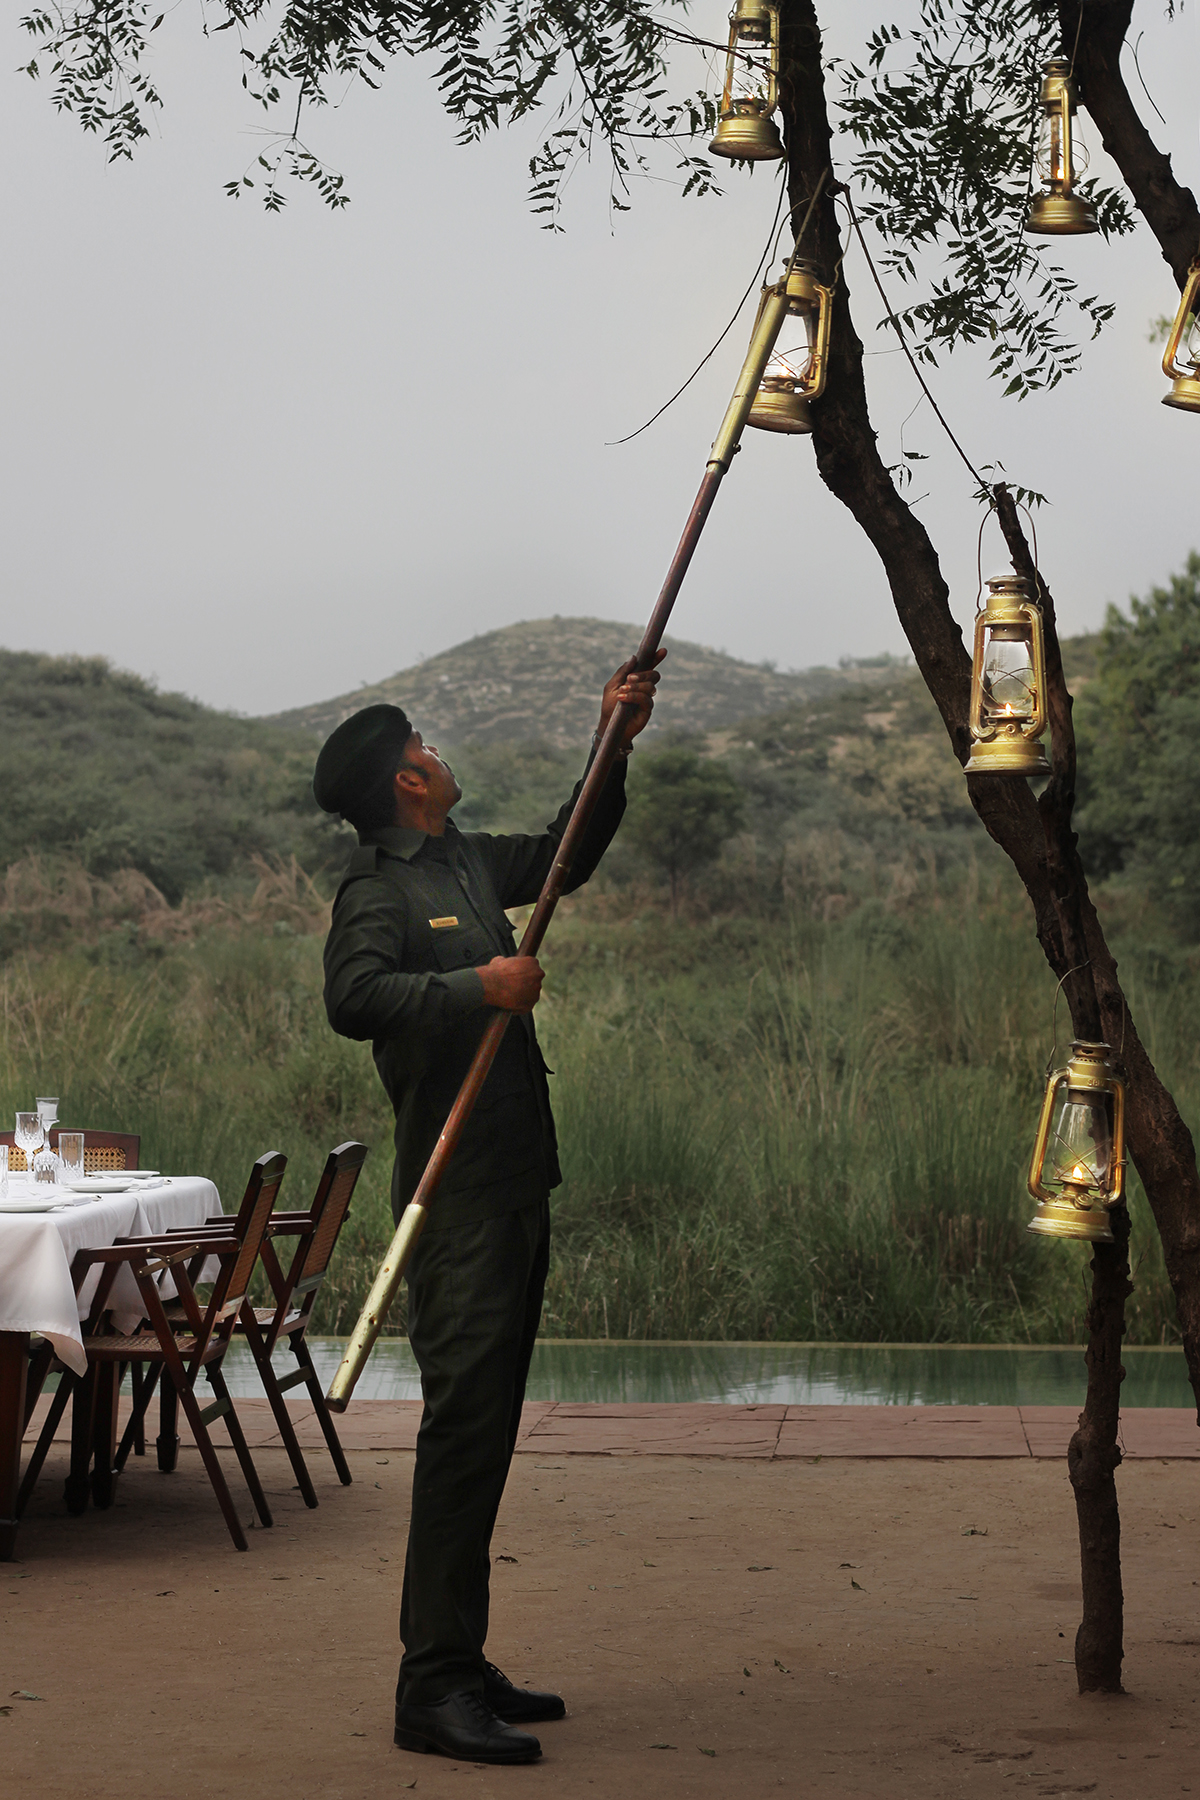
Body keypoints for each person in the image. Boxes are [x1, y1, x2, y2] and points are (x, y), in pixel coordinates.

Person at [316, 652, 662, 1766]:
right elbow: (353, 999)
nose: (438, 749)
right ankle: (431, 1688)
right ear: (404, 781)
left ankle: (460, 1657)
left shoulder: (465, 860)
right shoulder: (377, 891)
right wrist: (482, 987)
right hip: (454, 1201)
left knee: (492, 1426)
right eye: (423, 742)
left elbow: (574, 852)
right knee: (462, 1430)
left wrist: (615, 737)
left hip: (517, 1181)